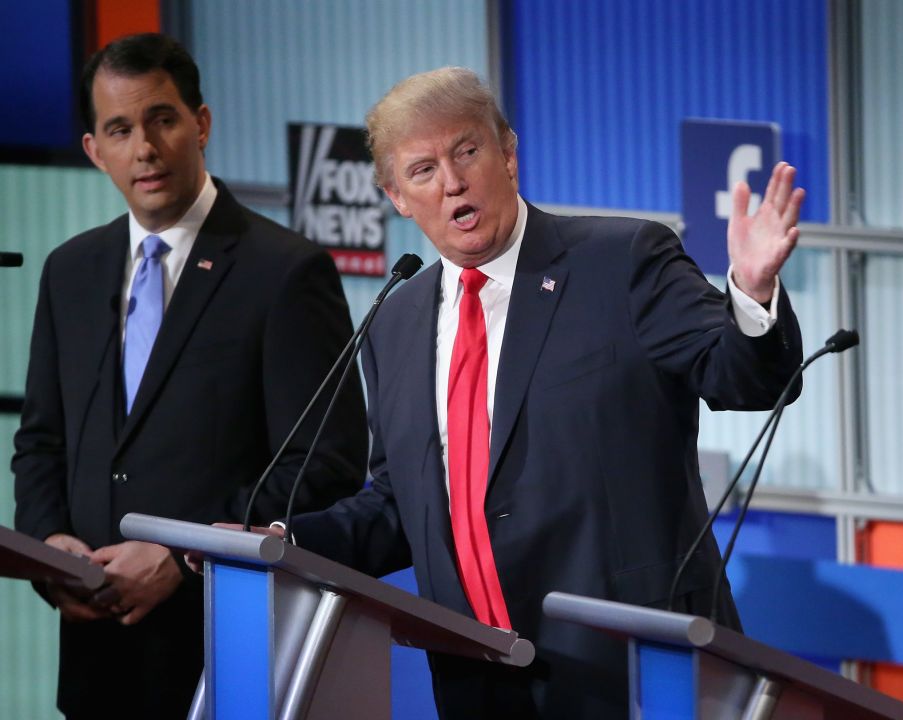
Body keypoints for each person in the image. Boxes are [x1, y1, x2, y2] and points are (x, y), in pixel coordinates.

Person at [271, 66, 805, 717]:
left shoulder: (621, 260)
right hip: (480, 681)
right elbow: (401, 504)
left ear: (509, 154)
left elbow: (743, 379)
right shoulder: (396, 320)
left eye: (467, 152)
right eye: (423, 170)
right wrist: (283, 542)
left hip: (632, 674)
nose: (453, 182)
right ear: (396, 196)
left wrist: (749, 297)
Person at [11, 33, 368, 718]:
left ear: (200, 123)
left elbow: (322, 464)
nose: (143, 147)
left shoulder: (285, 272)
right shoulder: (69, 271)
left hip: (223, 660)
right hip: (94, 662)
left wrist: (182, 560)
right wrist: (50, 549)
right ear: (95, 150)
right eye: (119, 129)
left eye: (162, 119)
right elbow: (41, 443)